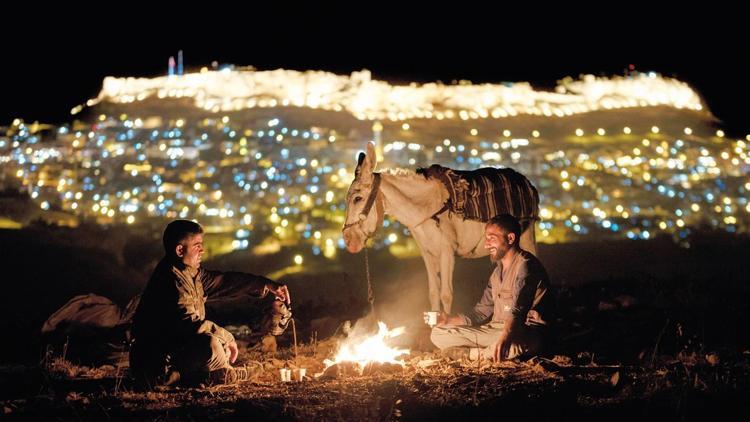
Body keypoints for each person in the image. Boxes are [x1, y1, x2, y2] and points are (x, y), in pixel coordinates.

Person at [129, 219, 291, 387]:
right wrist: (227, 337)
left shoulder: (189, 274)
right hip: (156, 363)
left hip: (174, 353)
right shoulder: (171, 281)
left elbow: (226, 282)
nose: (202, 250)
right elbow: (189, 325)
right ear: (179, 250)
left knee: (218, 347)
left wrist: (266, 285)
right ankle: (217, 376)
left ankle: (213, 373)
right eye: (197, 245)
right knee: (210, 344)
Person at [429, 214, 554, 361]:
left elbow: (518, 311)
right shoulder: (497, 273)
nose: (486, 245)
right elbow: (481, 312)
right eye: (486, 239)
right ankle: (489, 352)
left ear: (510, 238)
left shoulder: (526, 265)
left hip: (524, 330)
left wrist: (506, 335)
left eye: (492, 238)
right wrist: (448, 320)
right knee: (437, 333)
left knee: (516, 342)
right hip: (495, 329)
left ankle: (477, 354)